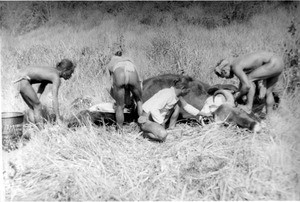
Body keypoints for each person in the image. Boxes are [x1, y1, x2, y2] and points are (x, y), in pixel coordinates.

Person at [138, 78, 212, 142]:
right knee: (163, 135)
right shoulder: (167, 94)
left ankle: (169, 129)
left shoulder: (176, 96)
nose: (187, 93)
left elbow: (187, 107)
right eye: (188, 91)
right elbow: (154, 108)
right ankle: (146, 133)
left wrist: (204, 114)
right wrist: (161, 123)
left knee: (177, 106)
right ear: (183, 89)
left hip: (155, 120)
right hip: (146, 120)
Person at [214, 51, 284, 115]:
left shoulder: (235, 67)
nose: (226, 78)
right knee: (268, 92)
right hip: (279, 62)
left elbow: (247, 85)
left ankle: (248, 107)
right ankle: (270, 117)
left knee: (249, 80)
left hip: (272, 62)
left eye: (224, 76)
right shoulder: (238, 62)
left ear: (224, 71)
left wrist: (238, 95)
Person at [14, 59, 76, 129]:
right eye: (70, 72)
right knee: (38, 106)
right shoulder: (56, 77)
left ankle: (34, 128)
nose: (71, 75)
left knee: (33, 106)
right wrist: (58, 118)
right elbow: (54, 98)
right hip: (23, 80)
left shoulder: (52, 71)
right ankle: (41, 131)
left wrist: (37, 98)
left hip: (18, 78)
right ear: (65, 70)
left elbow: (42, 85)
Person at [106, 51, 143, 129]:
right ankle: (142, 126)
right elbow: (139, 80)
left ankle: (120, 130)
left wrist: (116, 98)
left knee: (120, 106)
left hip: (119, 73)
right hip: (131, 71)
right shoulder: (128, 60)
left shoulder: (111, 62)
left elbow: (109, 85)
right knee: (139, 101)